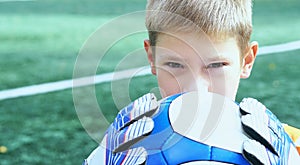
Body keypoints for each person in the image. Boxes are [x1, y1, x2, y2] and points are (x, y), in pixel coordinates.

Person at [83, 0, 300, 164]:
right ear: (152, 58)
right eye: (175, 65)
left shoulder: (291, 147)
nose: (196, 89)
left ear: (247, 60)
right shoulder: (122, 149)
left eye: (216, 66)